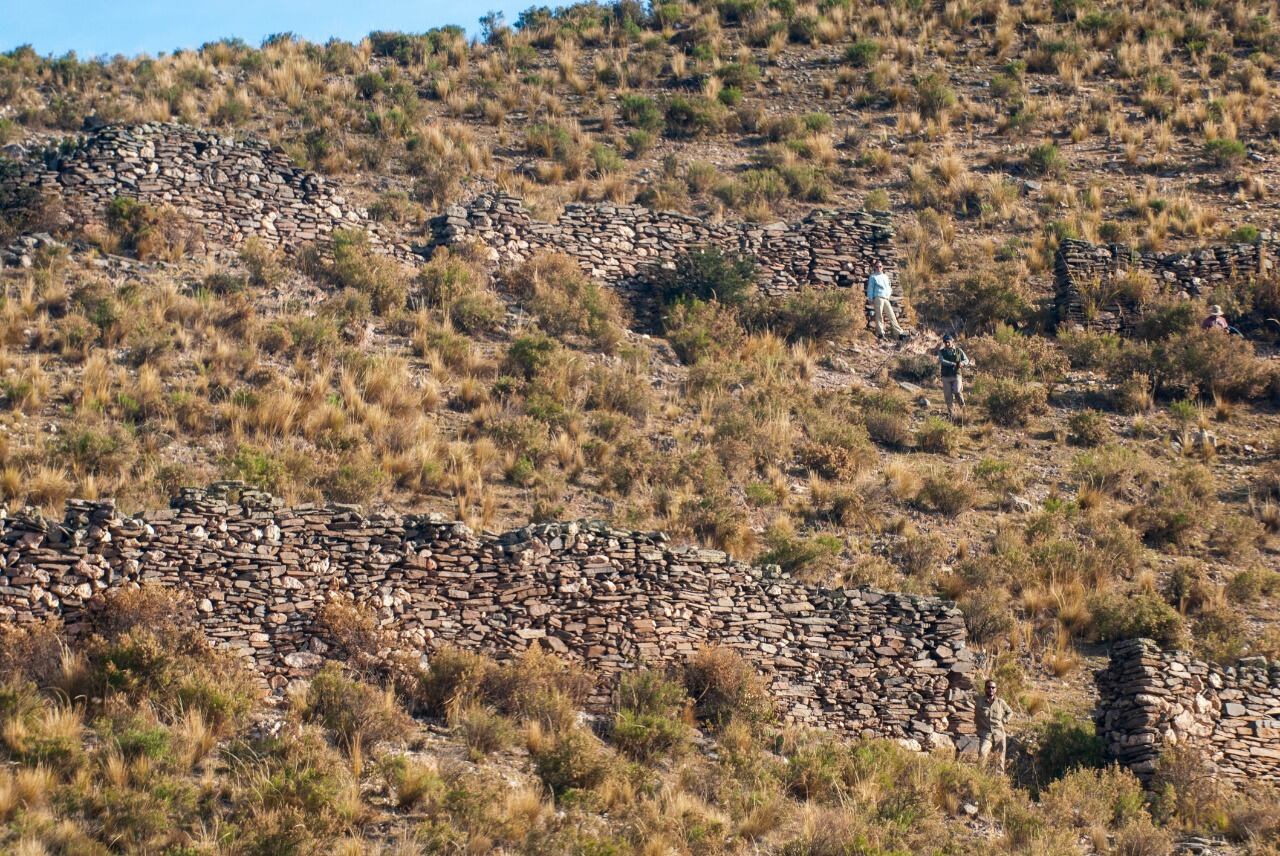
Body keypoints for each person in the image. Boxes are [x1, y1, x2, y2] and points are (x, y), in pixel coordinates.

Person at [975, 679, 1013, 771]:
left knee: (999, 759)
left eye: (993, 687)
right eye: (988, 687)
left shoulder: (1000, 702)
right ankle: (980, 776)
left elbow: (1010, 712)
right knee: (982, 753)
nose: (991, 689)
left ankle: (998, 780)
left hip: (999, 734)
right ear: (985, 689)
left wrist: (1004, 720)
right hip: (985, 734)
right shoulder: (979, 701)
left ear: (996, 689)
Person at [865, 261, 906, 341]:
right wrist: (870, 298)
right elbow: (870, 288)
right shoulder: (873, 277)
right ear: (874, 267)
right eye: (876, 267)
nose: (878, 268)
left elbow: (889, 287)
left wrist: (888, 294)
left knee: (891, 315)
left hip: (885, 298)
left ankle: (899, 333)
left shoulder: (885, 276)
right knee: (879, 315)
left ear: (882, 267)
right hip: (878, 297)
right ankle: (881, 333)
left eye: (880, 266)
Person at [938, 333, 970, 423]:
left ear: (952, 341)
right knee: (948, 397)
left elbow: (966, 360)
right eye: (945, 342)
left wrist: (962, 363)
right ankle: (952, 415)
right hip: (945, 376)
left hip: (956, 375)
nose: (946, 344)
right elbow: (942, 361)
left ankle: (963, 410)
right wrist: (953, 364)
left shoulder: (959, 350)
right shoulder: (941, 351)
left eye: (948, 342)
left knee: (957, 391)